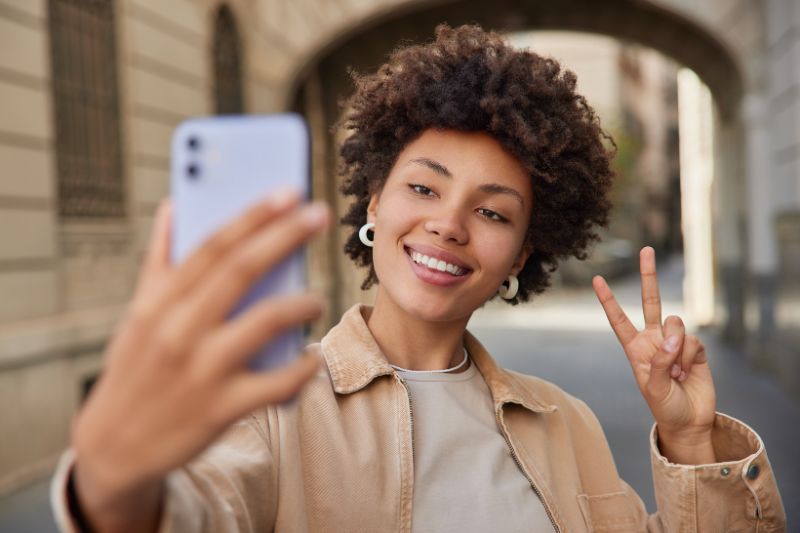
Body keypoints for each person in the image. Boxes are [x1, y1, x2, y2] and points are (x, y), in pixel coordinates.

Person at [51, 24, 785, 532]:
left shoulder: (567, 423)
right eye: (424, 189)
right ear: (375, 202)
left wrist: (691, 440)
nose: (448, 225)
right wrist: (115, 481)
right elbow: (187, 511)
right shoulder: (272, 405)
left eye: (493, 213)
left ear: (523, 254)